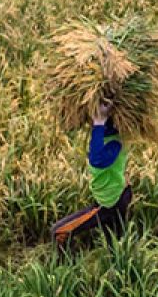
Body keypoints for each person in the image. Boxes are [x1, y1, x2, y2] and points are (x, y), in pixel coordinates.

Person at [52, 98, 133, 248]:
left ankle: (64, 267)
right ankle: (120, 266)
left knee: (59, 233)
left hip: (108, 203)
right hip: (118, 193)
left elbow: (97, 159)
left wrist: (99, 122)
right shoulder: (112, 135)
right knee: (116, 246)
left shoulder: (114, 142)